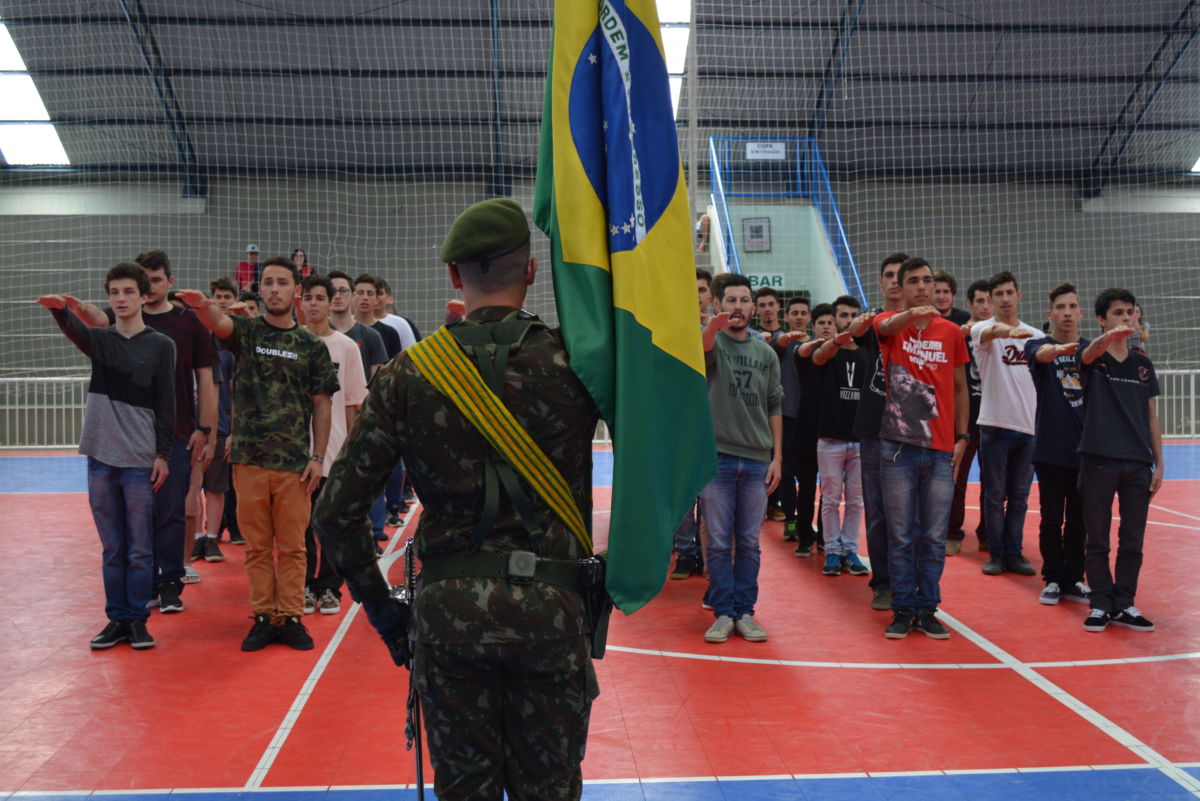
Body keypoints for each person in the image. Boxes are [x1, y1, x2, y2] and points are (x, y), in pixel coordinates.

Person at [314, 198, 602, 800]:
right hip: (553, 610)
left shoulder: (407, 374)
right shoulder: (577, 364)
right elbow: (654, 463)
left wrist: (384, 611)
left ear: (453, 275)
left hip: (448, 617)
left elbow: (336, 512)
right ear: (530, 272)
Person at [176, 256, 339, 651]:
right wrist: (202, 305)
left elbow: (322, 405)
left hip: (295, 466)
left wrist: (318, 457)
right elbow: (218, 323)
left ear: (295, 292)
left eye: (282, 283)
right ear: (261, 288)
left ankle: (292, 616)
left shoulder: (311, 347)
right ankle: (265, 615)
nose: (274, 289)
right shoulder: (245, 333)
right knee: (258, 547)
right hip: (248, 460)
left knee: (295, 546)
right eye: (268, 282)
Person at [72, 250, 217, 611]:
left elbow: (207, 379)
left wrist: (207, 429)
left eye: (155, 280)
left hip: (178, 431)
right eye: (142, 281)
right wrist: (71, 306)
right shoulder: (117, 317)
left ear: (169, 281)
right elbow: (91, 318)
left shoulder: (189, 323)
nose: (148, 288)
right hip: (127, 438)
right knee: (137, 519)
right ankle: (142, 586)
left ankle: (170, 582)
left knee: (171, 513)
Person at [39, 265, 175, 650]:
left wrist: (162, 454)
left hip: (139, 460)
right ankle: (117, 619)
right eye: (114, 291)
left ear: (143, 296)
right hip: (99, 457)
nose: (120, 298)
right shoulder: (100, 341)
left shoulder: (161, 345)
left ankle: (137, 620)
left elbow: (167, 404)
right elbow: (77, 331)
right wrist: (59, 311)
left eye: (128, 291)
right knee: (113, 547)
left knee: (138, 548)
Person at [875, 258, 969, 640]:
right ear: (900, 287)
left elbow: (961, 388)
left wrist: (963, 437)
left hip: (941, 448)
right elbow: (889, 325)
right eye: (913, 281)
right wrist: (909, 313)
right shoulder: (888, 325)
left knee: (932, 536)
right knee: (900, 535)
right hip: (897, 447)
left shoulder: (950, 332)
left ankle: (927, 607)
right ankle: (902, 608)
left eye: (927, 281)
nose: (922, 286)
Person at [699, 274, 783, 644]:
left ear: (753, 306)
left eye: (744, 299)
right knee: (718, 541)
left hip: (756, 461)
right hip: (716, 457)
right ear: (719, 304)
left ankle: (745, 611)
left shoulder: (765, 352)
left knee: (748, 541)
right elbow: (700, 353)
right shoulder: (712, 339)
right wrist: (709, 328)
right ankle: (722, 612)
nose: (737, 306)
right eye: (730, 299)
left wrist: (777, 457)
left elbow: (774, 404)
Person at [1077, 288, 1163, 633]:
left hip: (1137, 464)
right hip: (1098, 460)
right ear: (1101, 319)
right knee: (1097, 537)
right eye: (1117, 313)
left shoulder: (1143, 365)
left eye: (1130, 312)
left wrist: (1160, 464)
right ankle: (1100, 603)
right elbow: (1086, 354)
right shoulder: (1093, 358)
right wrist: (1110, 337)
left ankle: (1124, 603)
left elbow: (1151, 415)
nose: (1126, 318)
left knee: (1133, 540)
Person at [298, 274, 368, 616]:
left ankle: (329, 587)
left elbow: (354, 402)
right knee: (301, 525)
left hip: (335, 449)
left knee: (329, 524)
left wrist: (353, 454)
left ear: (330, 303)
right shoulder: (292, 343)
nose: (313, 303)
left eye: (319, 298)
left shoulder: (347, 348)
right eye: (307, 297)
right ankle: (306, 586)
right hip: (296, 452)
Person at [847, 252, 908, 611]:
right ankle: (883, 582)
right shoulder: (872, 323)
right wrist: (857, 324)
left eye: (902, 275)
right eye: (889, 275)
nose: (895, 280)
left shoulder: (922, 325)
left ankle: (909, 581)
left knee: (911, 514)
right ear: (880, 283)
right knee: (878, 512)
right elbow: (855, 334)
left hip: (912, 430)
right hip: (873, 429)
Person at [1025, 283, 1091, 606]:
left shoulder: (1091, 351)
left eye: (1072, 307)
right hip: (1050, 450)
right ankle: (1052, 577)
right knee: (1052, 518)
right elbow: (1041, 355)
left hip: (1085, 452)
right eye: (1060, 308)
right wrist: (1060, 350)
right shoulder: (1037, 347)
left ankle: (1075, 578)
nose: (1066, 313)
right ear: (1050, 314)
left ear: (1080, 313)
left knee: (1080, 519)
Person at [971, 271, 1040, 576]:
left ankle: (1014, 551)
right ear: (991, 299)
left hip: (1028, 427)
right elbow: (988, 334)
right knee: (995, 494)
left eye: (1009, 293)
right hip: (995, 424)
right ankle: (996, 553)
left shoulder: (1035, 335)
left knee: (1021, 496)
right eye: (998, 294)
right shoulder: (982, 330)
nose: (1004, 298)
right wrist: (1006, 333)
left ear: (1018, 295)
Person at [810, 295, 870, 577]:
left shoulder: (867, 352)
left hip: (859, 440)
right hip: (830, 439)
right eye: (842, 316)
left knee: (856, 501)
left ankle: (851, 550)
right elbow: (818, 357)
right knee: (831, 499)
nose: (848, 321)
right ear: (834, 321)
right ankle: (832, 551)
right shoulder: (826, 350)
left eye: (853, 315)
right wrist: (837, 340)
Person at [946, 279, 991, 555]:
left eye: (990, 301)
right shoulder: (959, 336)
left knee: (994, 481)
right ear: (969, 304)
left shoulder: (1002, 336)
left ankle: (989, 533)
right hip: (966, 417)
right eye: (980, 301)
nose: (986, 306)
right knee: (958, 477)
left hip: (995, 418)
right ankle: (952, 531)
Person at [327, 270, 388, 380]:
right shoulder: (313, 334)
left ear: (353, 295)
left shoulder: (372, 336)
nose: (337, 296)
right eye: (332, 291)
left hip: (359, 396)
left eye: (343, 291)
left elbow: (376, 384)